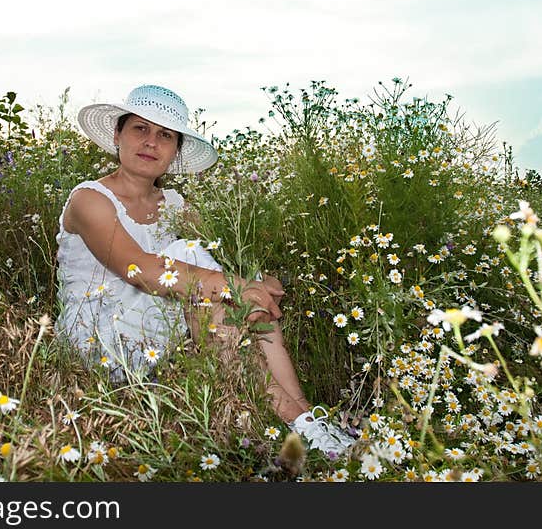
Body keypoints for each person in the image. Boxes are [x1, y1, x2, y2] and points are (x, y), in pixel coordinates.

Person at [55, 84, 354, 455]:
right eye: (140, 129)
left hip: (157, 327)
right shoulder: (90, 199)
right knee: (203, 276)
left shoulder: (175, 204)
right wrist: (234, 285)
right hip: (102, 337)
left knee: (235, 297)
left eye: (165, 135)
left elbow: (222, 260)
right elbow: (141, 269)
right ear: (117, 135)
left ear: (175, 152)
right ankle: (298, 423)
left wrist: (256, 282)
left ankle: (308, 422)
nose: (151, 142)